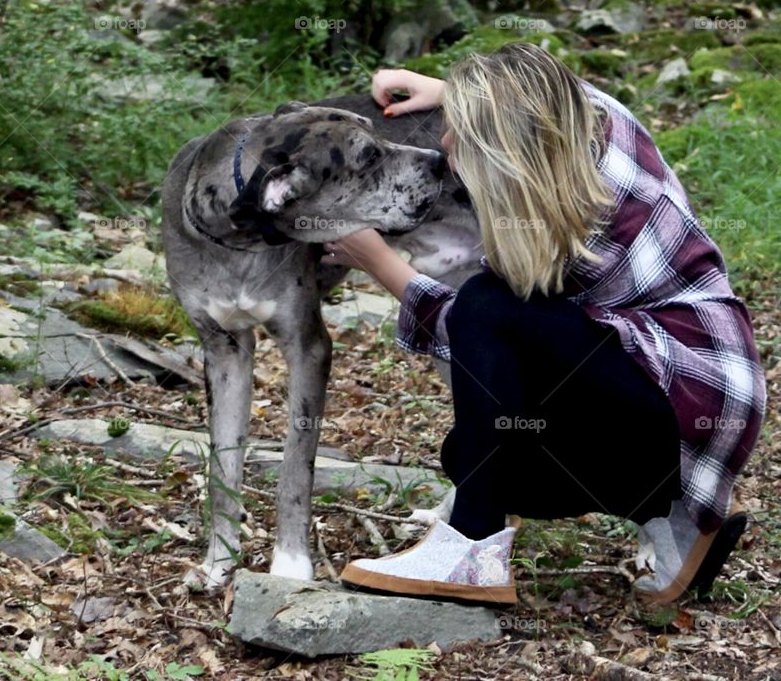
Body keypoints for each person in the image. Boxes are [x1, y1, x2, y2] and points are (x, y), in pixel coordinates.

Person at [322, 43, 766, 606]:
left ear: (507, 155)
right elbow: (556, 92)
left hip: (690, 386)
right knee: (475, 456)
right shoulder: (599, 129)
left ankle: (471, 548)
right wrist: (447, 90)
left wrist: (381, 263)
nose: (445, 144)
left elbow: (477, 330)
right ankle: (677, 520)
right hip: (697, 394)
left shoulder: (571, 223)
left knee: (487, 302)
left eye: (462, 134)